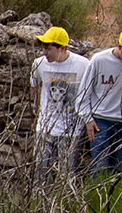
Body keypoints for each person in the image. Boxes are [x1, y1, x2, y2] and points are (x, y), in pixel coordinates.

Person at [77, 29, 122, 174]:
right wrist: (87, 119)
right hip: (100, 122)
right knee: (100, 166)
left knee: (121, 167)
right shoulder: (99, 60)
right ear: (119, 46)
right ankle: (96, 195)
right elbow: (84, 91)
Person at [27, 26, 90, 182]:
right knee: (39, 173)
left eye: (48, 48)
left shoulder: (83, 65)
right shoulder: (39, 64)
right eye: (43, 48)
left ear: (62, 48)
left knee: (67, 175)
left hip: (71, 130)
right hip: (45, 127)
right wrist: (38, 110)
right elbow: (34, 86)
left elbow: (90, 92)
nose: (44, 52)